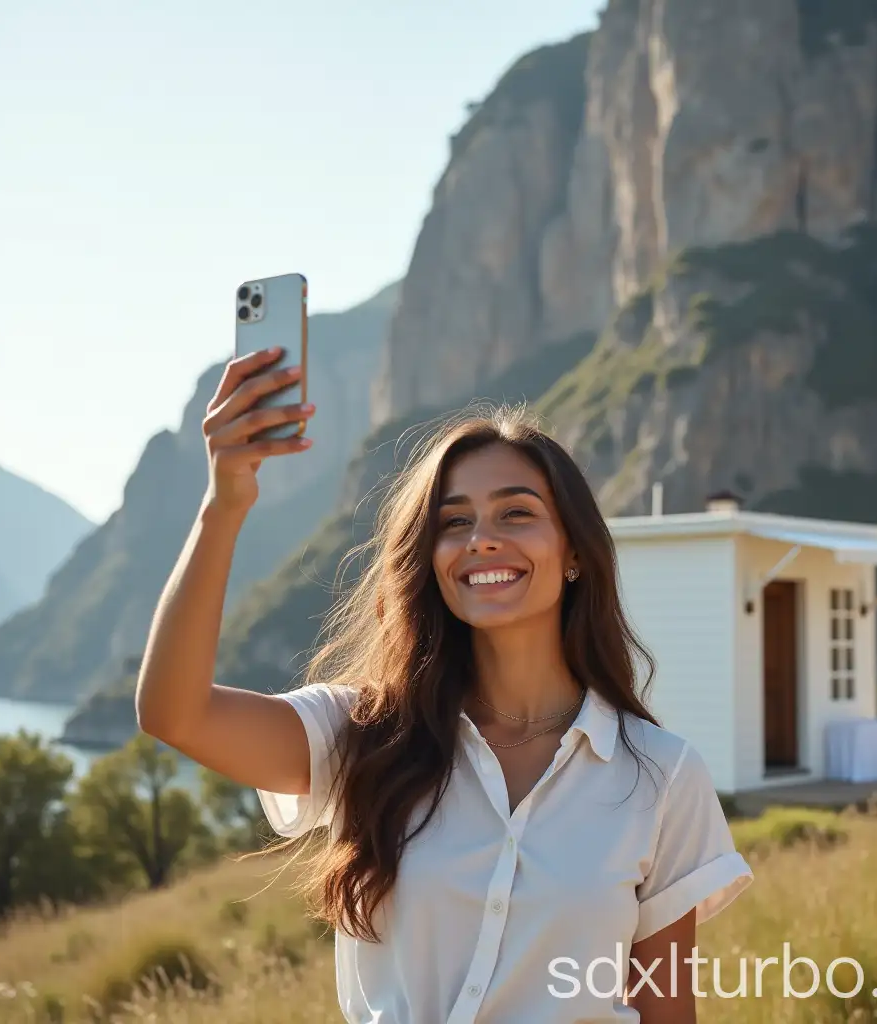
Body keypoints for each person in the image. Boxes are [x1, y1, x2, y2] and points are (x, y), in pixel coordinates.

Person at [136, 348, 753, 1023]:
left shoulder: (662, 777)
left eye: (516, 514)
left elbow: (668, 1013)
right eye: (454, 522)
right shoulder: (362, 736)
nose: (482, 539)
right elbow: (176, 713)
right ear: (430, 561)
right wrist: (222, 505)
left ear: (574, 552)